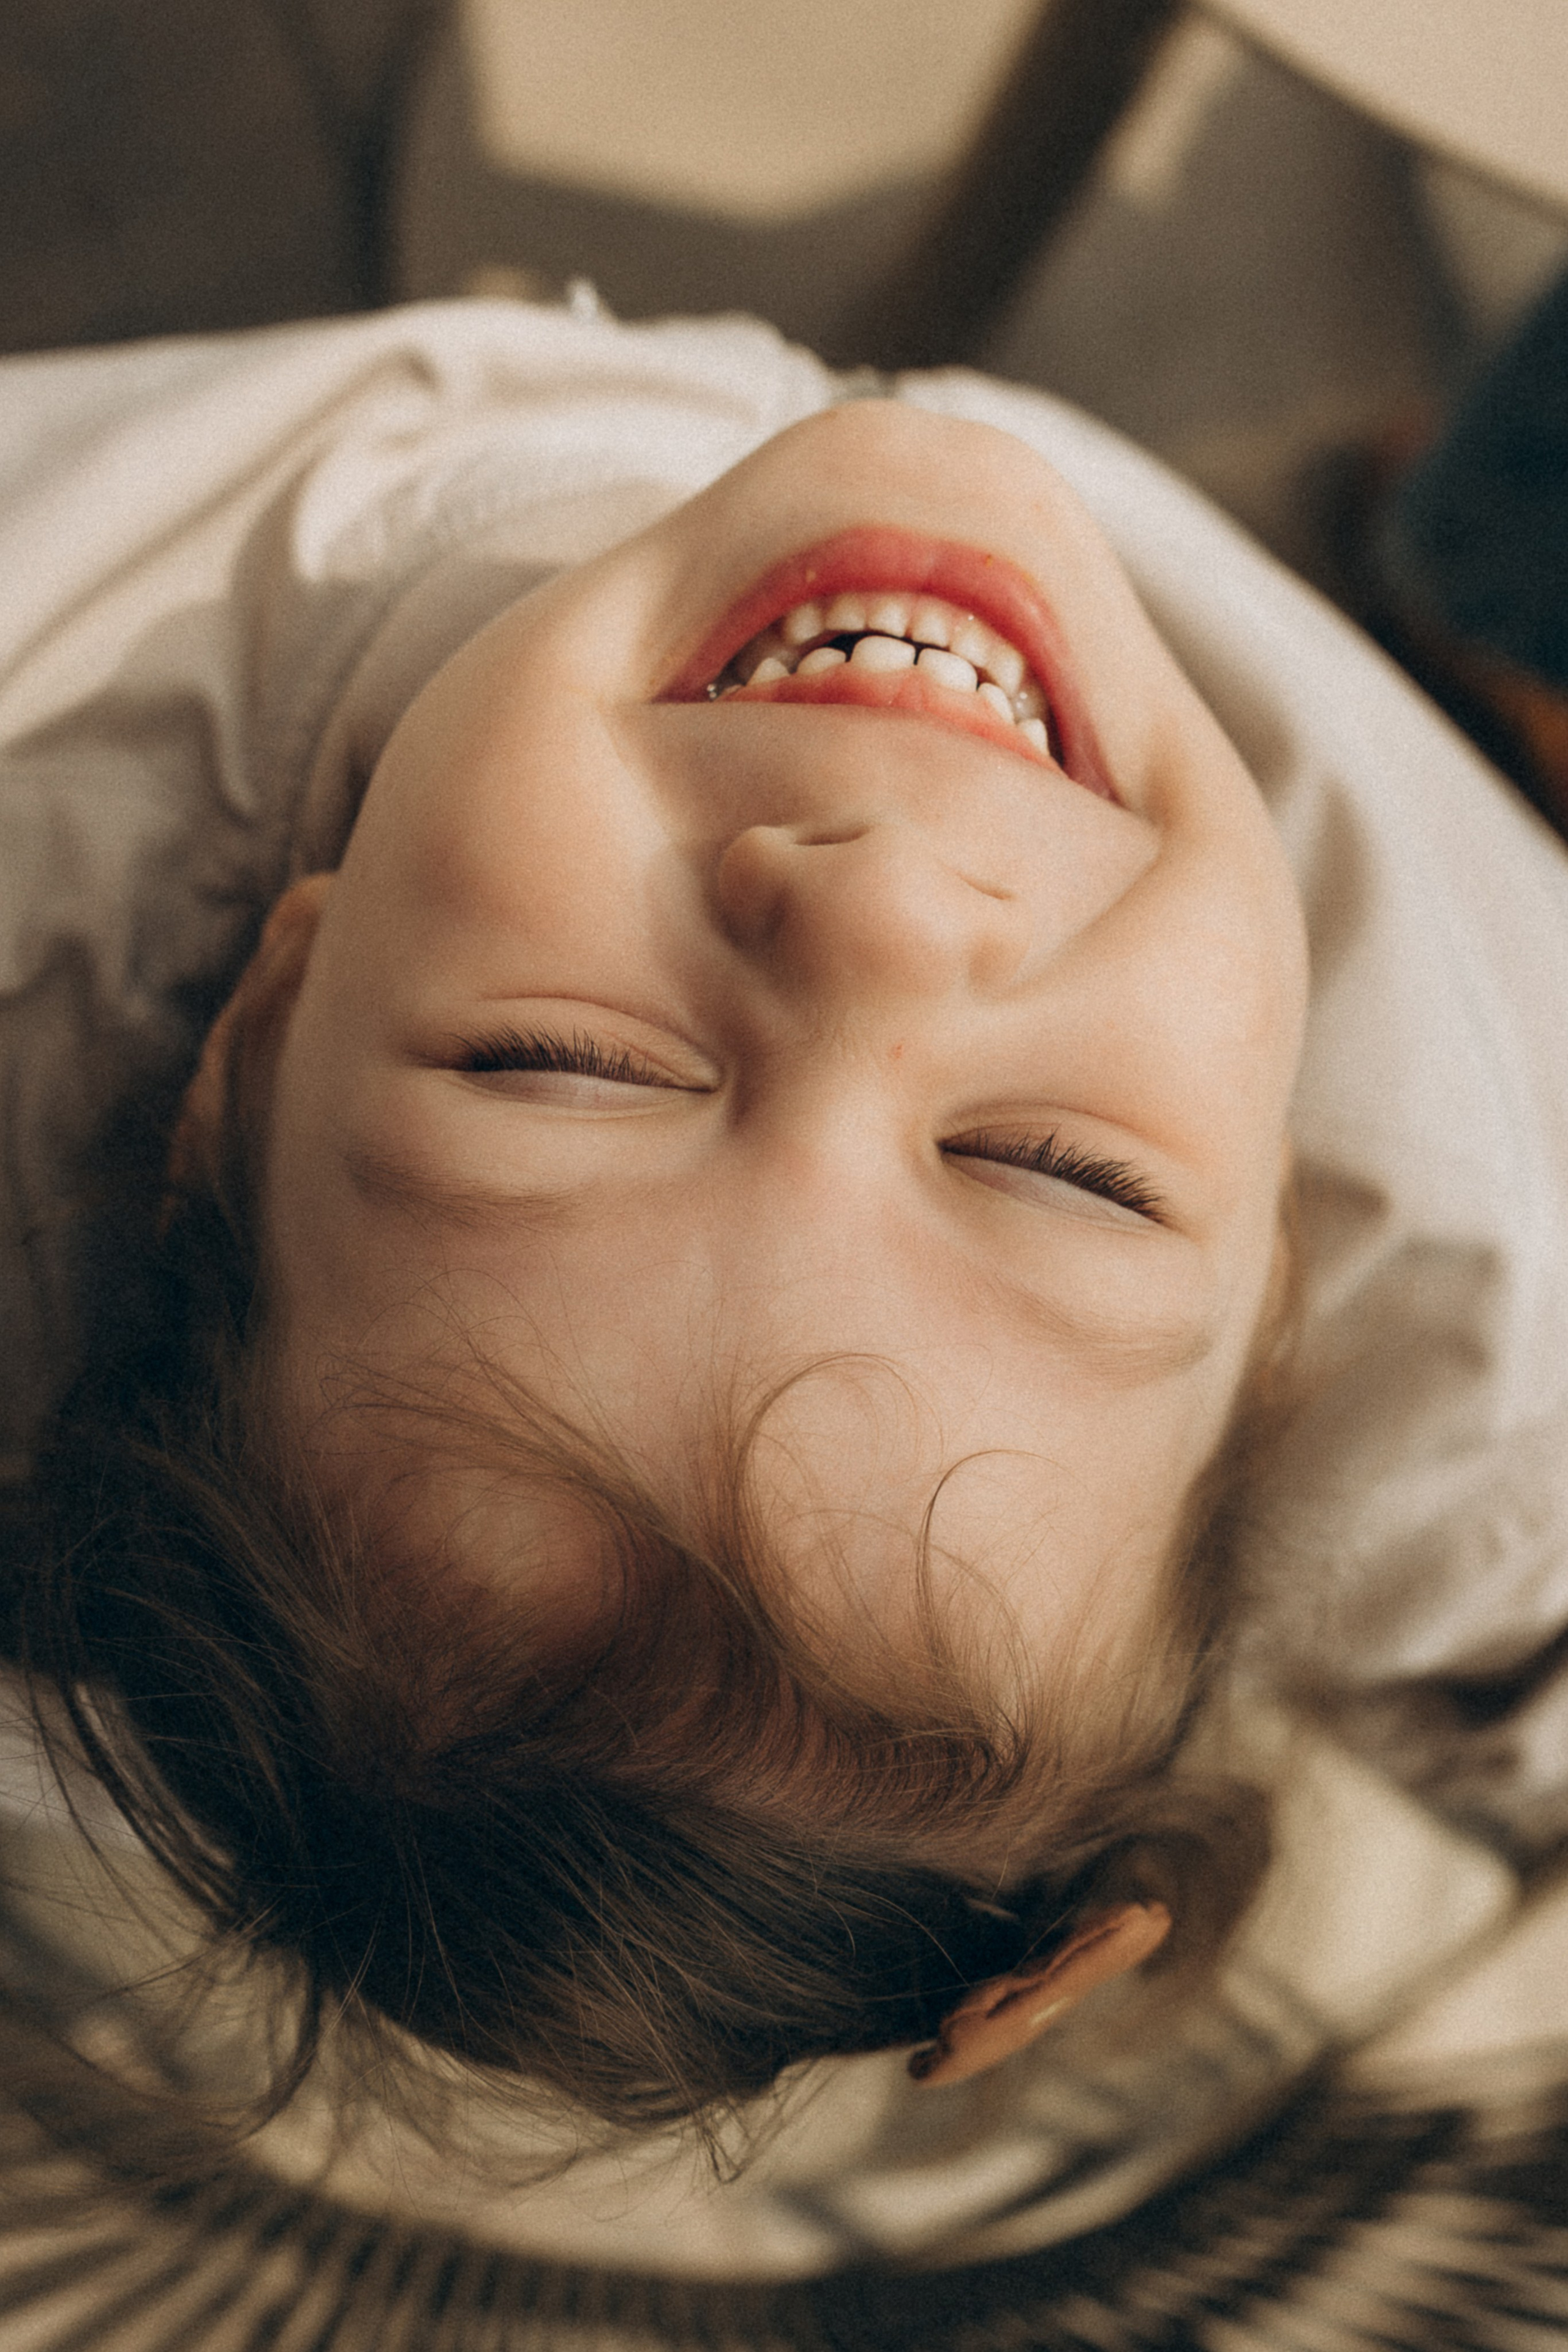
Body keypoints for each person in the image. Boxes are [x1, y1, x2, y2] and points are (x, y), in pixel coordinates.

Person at [2, 300, 1566, 2272]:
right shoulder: (1495, 1231)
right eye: (1056, 1174)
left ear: (272, 1019)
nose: (883, 909)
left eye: (563, 1067)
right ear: (1285, 1302)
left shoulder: (55, 677)